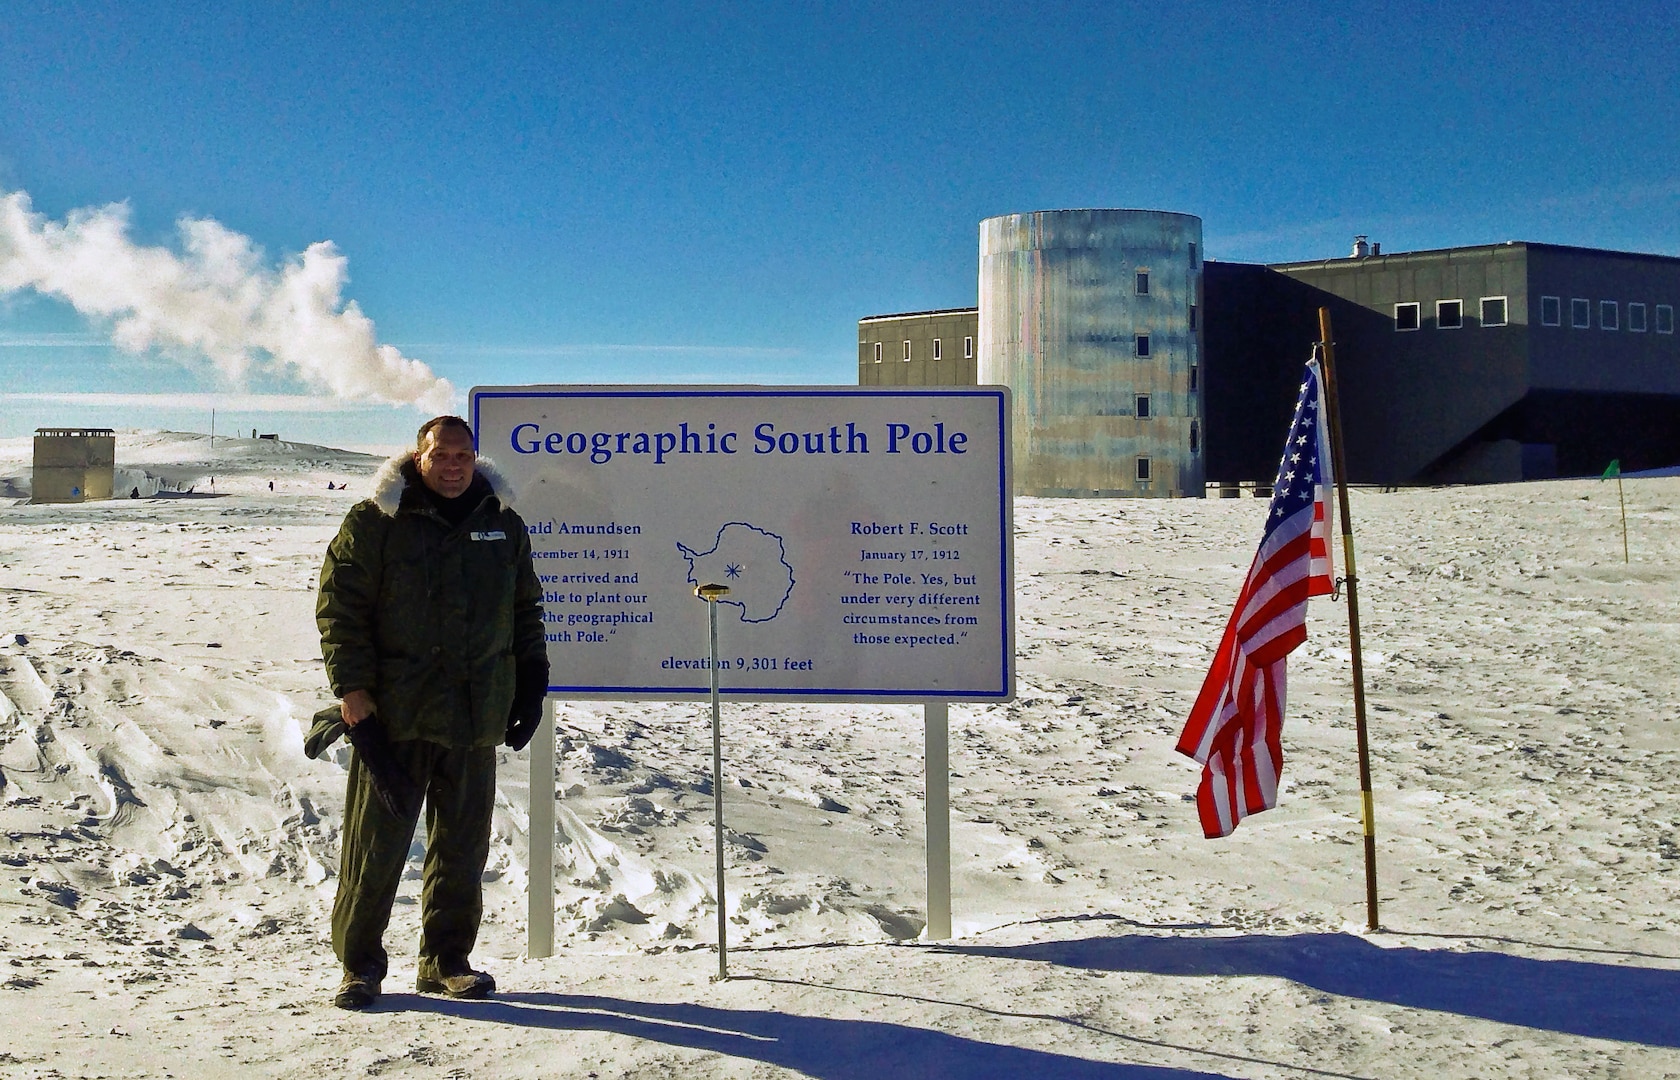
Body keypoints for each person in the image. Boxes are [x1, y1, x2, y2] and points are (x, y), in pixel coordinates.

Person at [316, 416, 549, 1010]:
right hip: (397, 714)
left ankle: (446, 962)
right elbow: (340, 609)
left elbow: (526, 609)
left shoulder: (502, 524)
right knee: (376, 845)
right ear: (418, 457)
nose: (453, 466)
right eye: (441, 455)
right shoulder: (377, 521)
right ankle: (359, 966)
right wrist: (353, 694)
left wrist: (531, 682)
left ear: (475, 459)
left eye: (463, 456)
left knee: (462, 849)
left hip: (475, 715)